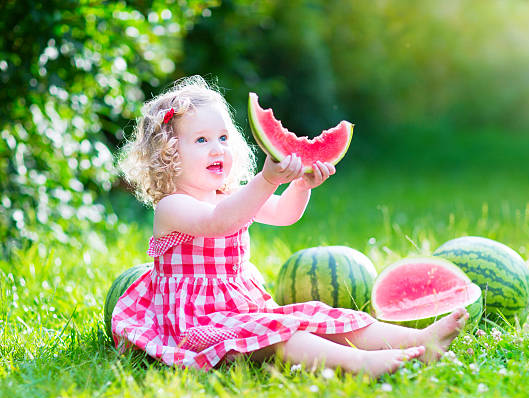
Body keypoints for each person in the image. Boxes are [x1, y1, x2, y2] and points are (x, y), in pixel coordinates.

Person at [112, 75, 468, 377]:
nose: (216, 149)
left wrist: (300, 186)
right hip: (194, 326)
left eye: (222, 138)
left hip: (241, 309)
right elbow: (219, 223)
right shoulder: (173, 206)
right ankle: (360, 364)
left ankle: (421, 341)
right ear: (169, 153)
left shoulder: (231, 194)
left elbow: (284, 214)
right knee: (280, 335)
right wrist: (266, 180)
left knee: (318, 317)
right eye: (201, 140)